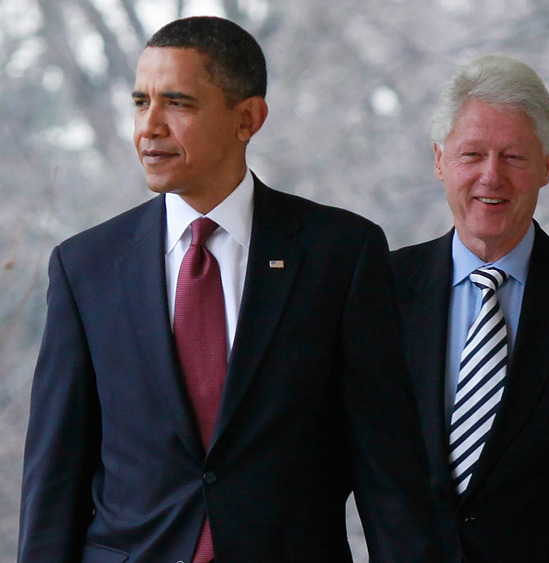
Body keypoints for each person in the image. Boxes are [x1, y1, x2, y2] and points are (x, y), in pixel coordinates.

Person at [19, 16, 439, 562]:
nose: (150, 126)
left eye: (178, 103)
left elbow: (389, 471)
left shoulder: (342, 254)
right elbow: (54, 476)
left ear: (248, 119)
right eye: (140, 102)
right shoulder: (85, 267)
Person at [390, 55, 549, 562]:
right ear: (439, 160)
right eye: (472, 154)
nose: (490, 176)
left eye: (514, 157)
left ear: (547, 164)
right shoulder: (377, 293)